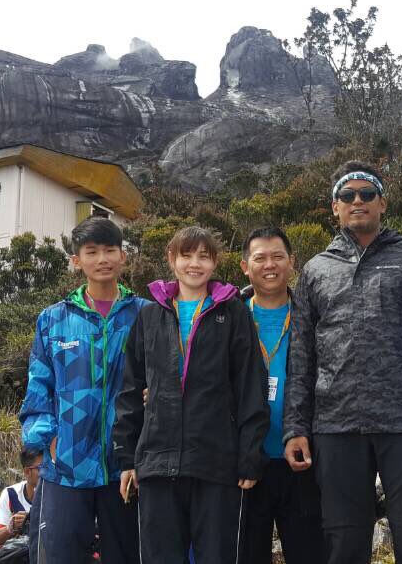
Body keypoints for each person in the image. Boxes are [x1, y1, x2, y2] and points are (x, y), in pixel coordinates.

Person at [283, 160, 402, 564]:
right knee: (343, 543)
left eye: (367, 194)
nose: (357, 201)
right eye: (347, 195)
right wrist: (296, 428)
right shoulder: (315, 269)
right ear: (335, 207)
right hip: (335, 425)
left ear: (383, 203)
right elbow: (302, 356)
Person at [114, 226, 269, 564]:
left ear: (215, 262)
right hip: (157, 463)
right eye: (186, 255)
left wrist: (249, 455)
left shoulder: (233, 313)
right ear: (171, 259)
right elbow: (130, 389)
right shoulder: (149, 315)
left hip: (216, 463)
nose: (194, 264)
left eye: (203, 256)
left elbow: (250, 386)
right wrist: (127, 459)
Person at [19, 217, 146, 564]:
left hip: (127, 467)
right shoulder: (53, 319)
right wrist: (48, 441)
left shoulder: (145, 314)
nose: (102, 259)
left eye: (110, 250)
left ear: (123, 256)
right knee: (56, 556)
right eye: (92, 252)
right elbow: (38, 388)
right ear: (76, 260)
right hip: (66, 467)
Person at [236, 227, 326, 564]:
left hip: (303, 460)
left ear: (292, 262)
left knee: (310, 553)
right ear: (245, 266)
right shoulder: (230, 317)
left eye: (278, 257)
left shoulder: (313, 314)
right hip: (246, 462)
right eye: (260, 258)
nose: (269, 265)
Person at [0, 449, 42, 548]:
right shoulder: (11, 494)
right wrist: (11, 527)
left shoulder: (55, 495)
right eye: (41, 468)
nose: (47, 473)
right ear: (27, 472)